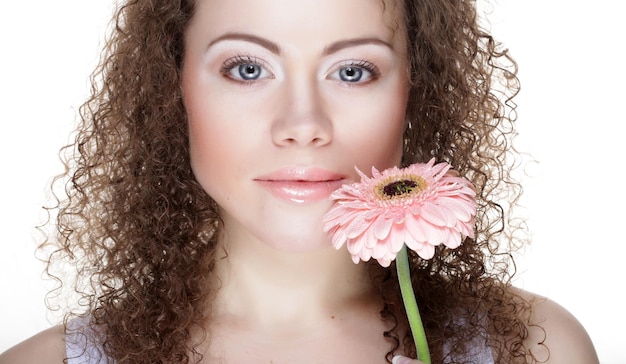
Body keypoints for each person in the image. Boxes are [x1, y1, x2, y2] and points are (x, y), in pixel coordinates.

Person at [0, 0, 599, 363]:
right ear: (170, 88)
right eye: (248, 68)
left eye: (353, 70)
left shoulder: (535, 349)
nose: (303, 126)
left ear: (417, 90)